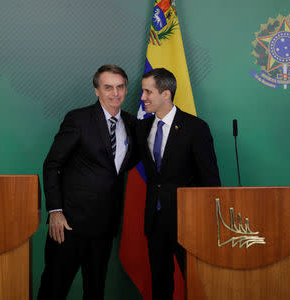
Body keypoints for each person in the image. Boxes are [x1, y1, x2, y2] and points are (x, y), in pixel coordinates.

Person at [38, 65, 137, 300]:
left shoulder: (133, 124)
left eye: (120, 87)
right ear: (97, 91)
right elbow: (52, 164)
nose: (115, 93)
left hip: (103, 228)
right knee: (54, 288)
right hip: (69, 225)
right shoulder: (78, 119)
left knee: (95, 291)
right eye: (108, 87)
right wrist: (55, 211)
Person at [137, 68, 221, 299]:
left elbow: (211, 180)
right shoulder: (142, 128)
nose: (142, 97)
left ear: (166, 94)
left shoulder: (196, 128)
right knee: (160, 285)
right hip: (155, 222)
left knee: (198, 285)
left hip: (189, 223)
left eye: (147, 92)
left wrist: (208, 223)